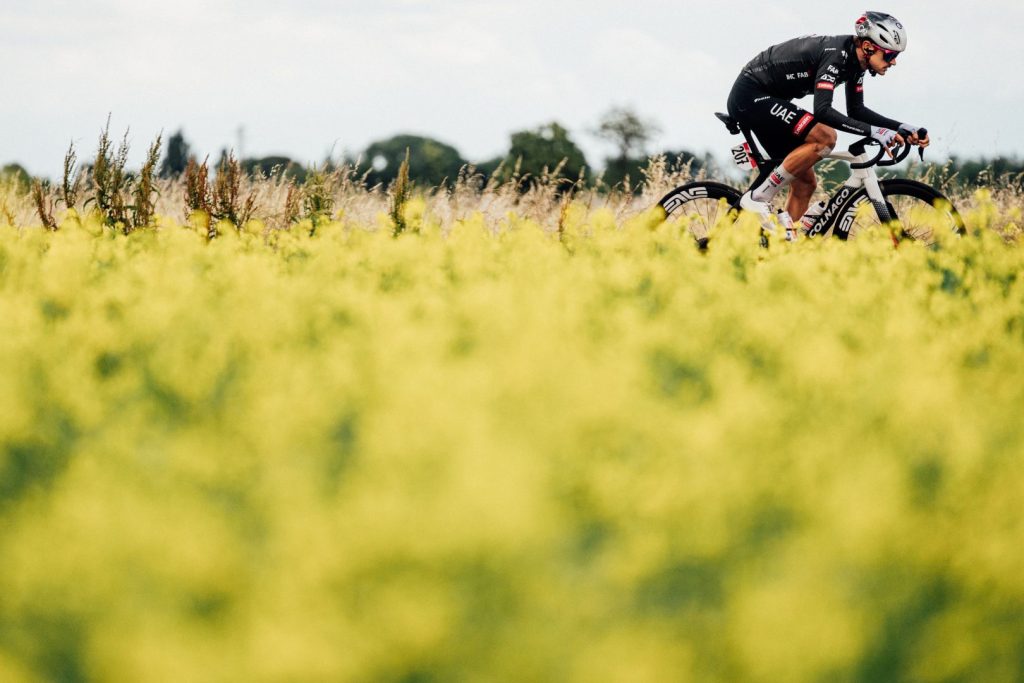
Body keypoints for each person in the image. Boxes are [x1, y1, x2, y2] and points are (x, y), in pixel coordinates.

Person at [726, 11, 929, 234]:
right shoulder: (836, 55)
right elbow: (822, 111)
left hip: (767, 99)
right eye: (889, 55)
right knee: (825, 137)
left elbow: (856, 110)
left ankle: (782, 246)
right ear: (868, 47)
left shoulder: (856, 62)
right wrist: (876, 132)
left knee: (805, 184)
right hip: (750, 95)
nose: (894, 62)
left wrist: (899, 127)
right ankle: (758, 197)